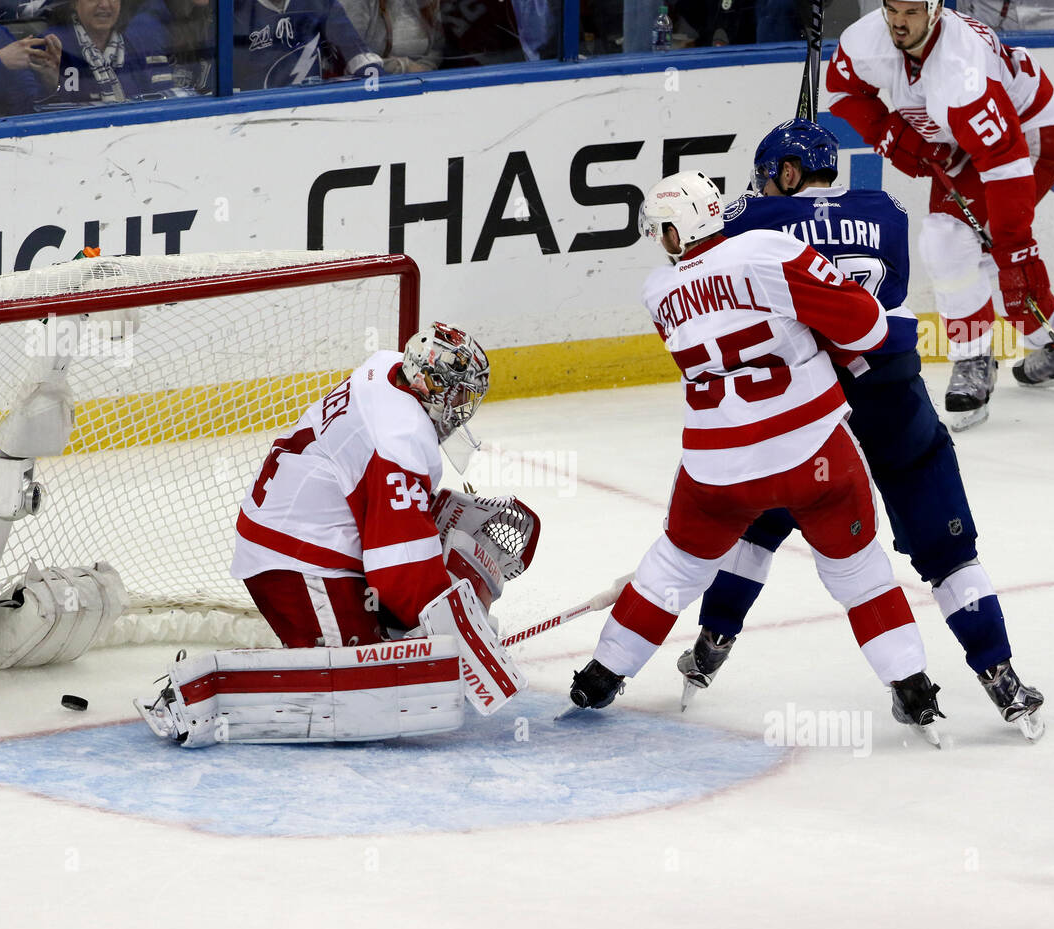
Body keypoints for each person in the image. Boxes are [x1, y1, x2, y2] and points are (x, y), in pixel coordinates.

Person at [678, 119, 1044, 740]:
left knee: (765, 516)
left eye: (769, 178)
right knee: (947, 546)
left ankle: (712, 645)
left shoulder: (745, 217)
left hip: (810, 402)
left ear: (785, 174)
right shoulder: (887, 209)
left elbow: (708, 260)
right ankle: (1001, 677)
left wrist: (775, 211)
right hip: (892, 389)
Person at [568, 170, 947, 745]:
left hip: (716, 471)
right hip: (812, 455)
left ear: (679, 228)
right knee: (859, 573)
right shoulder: (769, 251)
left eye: (662, 229)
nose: (659, 240)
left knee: (671, 568)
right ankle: (912, 686)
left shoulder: (657, 290)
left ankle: (603, 674)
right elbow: (868, 328)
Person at [137, 323, 538, 747]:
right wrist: (457, 638)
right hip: (295, 558)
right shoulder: (400, 437)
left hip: (301, 529)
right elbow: (399, 570)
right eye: (459, 394)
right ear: (431, 384)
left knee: (410, 623)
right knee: (366, 687)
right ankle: (198, 694)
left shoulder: (386, 366)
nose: (463, 407)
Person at [826, 0, 1054, 431]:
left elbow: (1005, 160)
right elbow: (844, 93)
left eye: (912, 11)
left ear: (935, 10)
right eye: (892, 9)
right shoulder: (866, 41)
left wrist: (1017, 251)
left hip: (1025, 138)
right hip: (964, 143)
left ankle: (975, 360)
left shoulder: (962, 71)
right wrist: (890, 135)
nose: (899, 21)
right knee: (971, 254)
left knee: (954, 243)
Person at [233, 0, 382, 89]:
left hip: (311, 105)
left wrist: (379, 90)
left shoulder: (320, 3)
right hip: (255, 114)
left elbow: (357, 54)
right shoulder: (232, 9)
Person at [49, 0, 179, 103]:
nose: (105, 4)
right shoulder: (51, 46)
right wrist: (50, 85)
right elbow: (40, 112)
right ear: (74, 3)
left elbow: (165, 103)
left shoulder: (143, 41)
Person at [336, 0, 443, 72]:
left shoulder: (427, 2)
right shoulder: (355, 3)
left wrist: (425, 68)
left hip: (425, 85)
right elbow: (351, 58)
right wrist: (406, 68)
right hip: (374, 91)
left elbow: (438, 46)